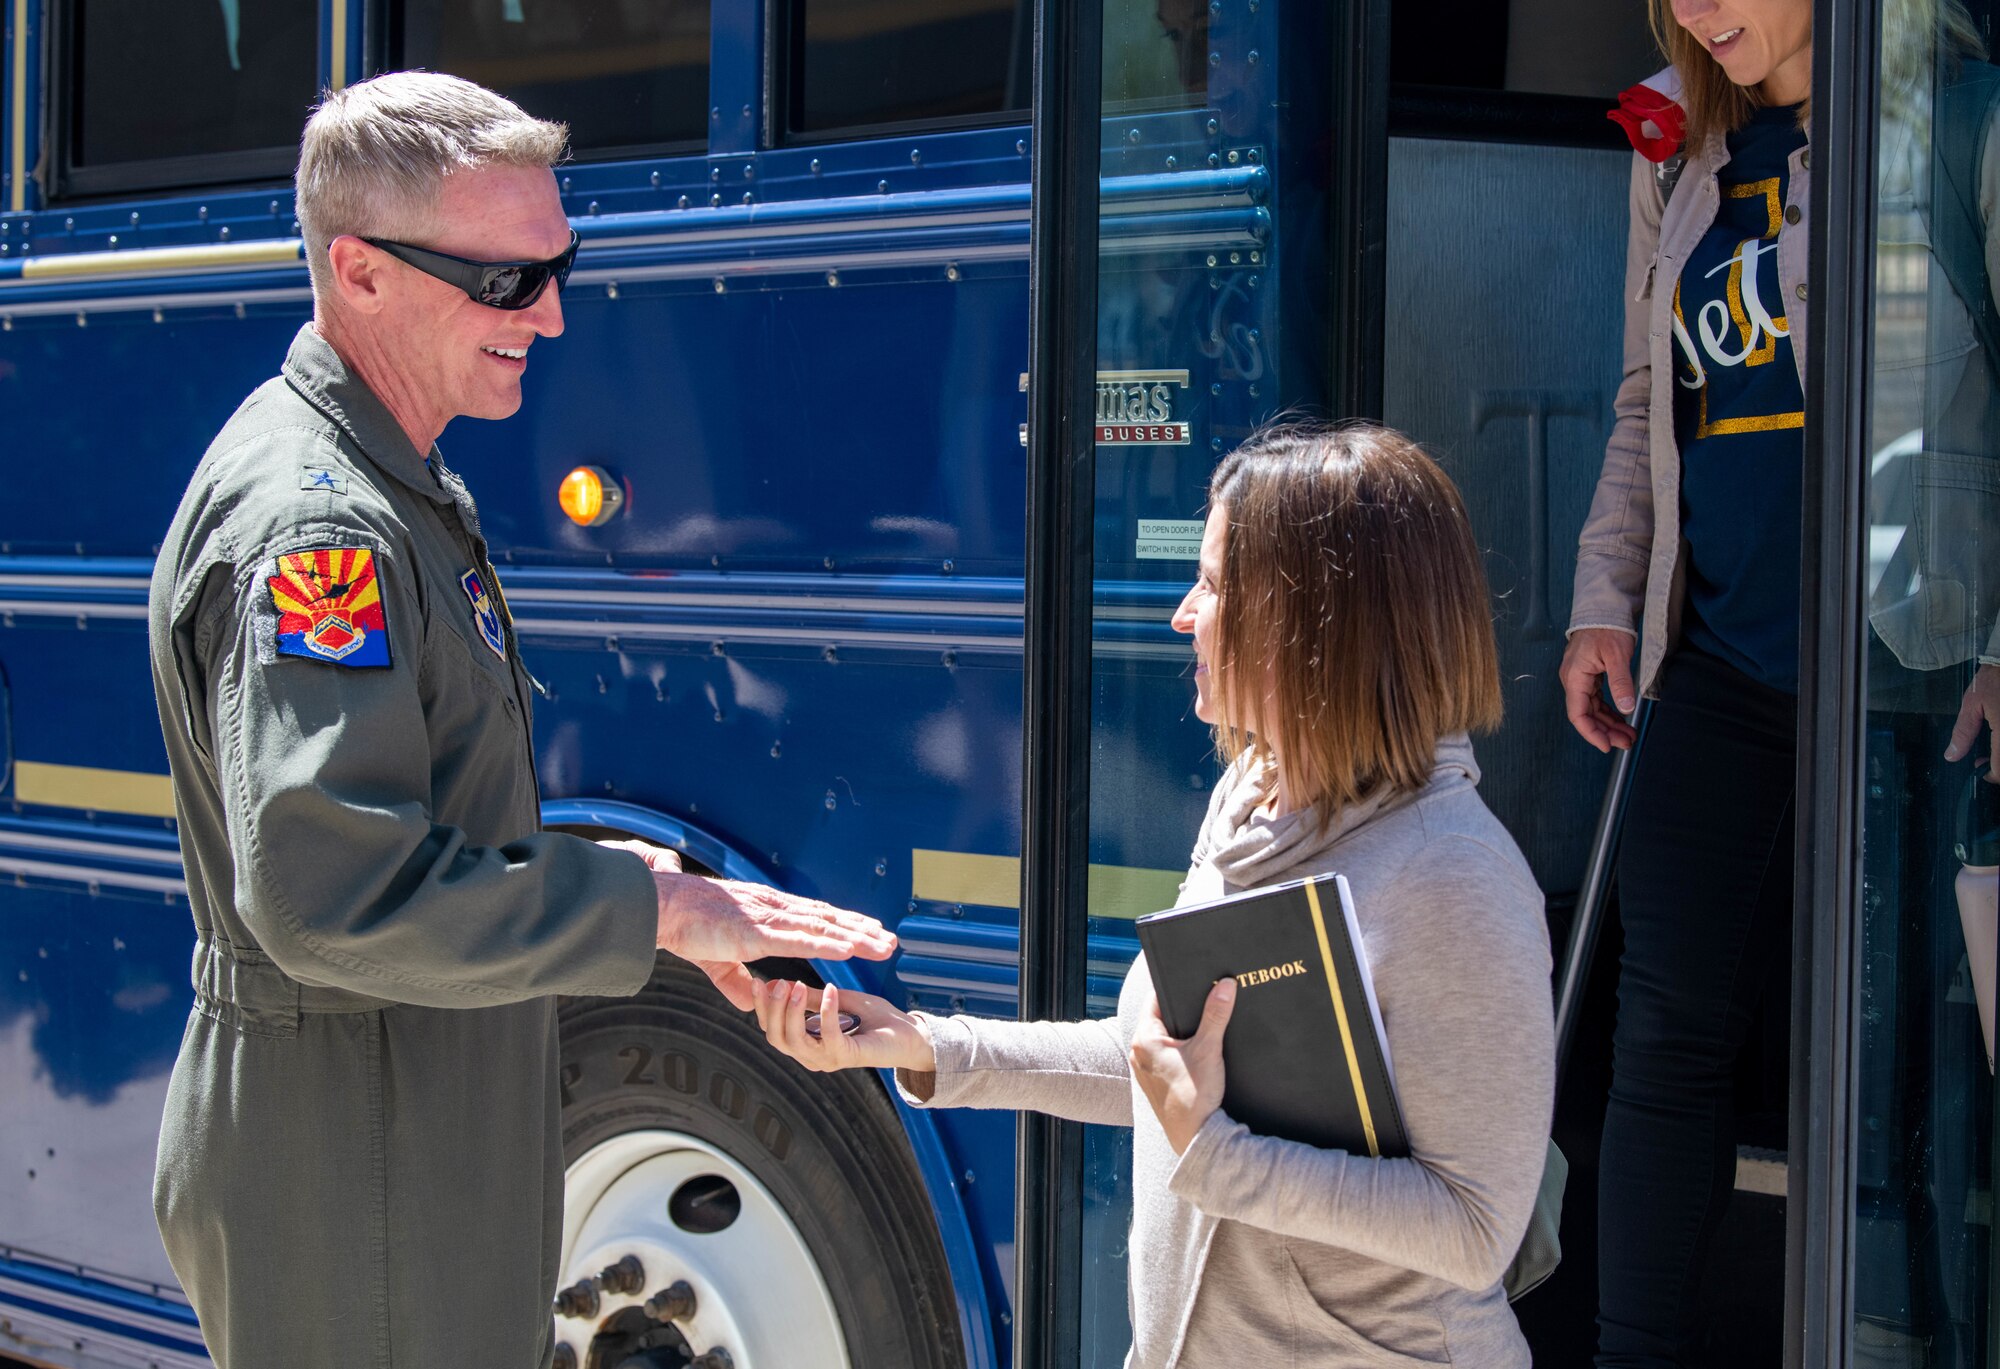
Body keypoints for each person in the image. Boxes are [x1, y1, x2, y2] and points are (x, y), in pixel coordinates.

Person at [144, 71, 895, 1369]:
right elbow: (333, 886)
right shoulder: (324, 528)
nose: (548, 316)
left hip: (393, 1133)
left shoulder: (393, 482)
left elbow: (430, 812)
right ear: (360, 271)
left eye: (560, 266)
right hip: (354, 1159)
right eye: (505, 280)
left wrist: (624, 878)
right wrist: (643, 914)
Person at [754, 423, 1555, 1367]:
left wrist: (1219, 1158)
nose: (1183, 613)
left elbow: (1473, 1230)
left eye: (1215, 584)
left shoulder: (1455, 877)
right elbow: (1159, 1065)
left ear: (1318, 617)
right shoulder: (1249, 803)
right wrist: (925, 1043)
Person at [1566, 1, 1999, 1362]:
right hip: (1724, 654)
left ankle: (1908, 1339)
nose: (1698, 7)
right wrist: (1605, 603)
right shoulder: (1677, 147)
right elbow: (1648, 402)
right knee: (1664, 1036)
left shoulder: (1962, 123)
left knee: (1905, 1069)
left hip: (1914, 667)